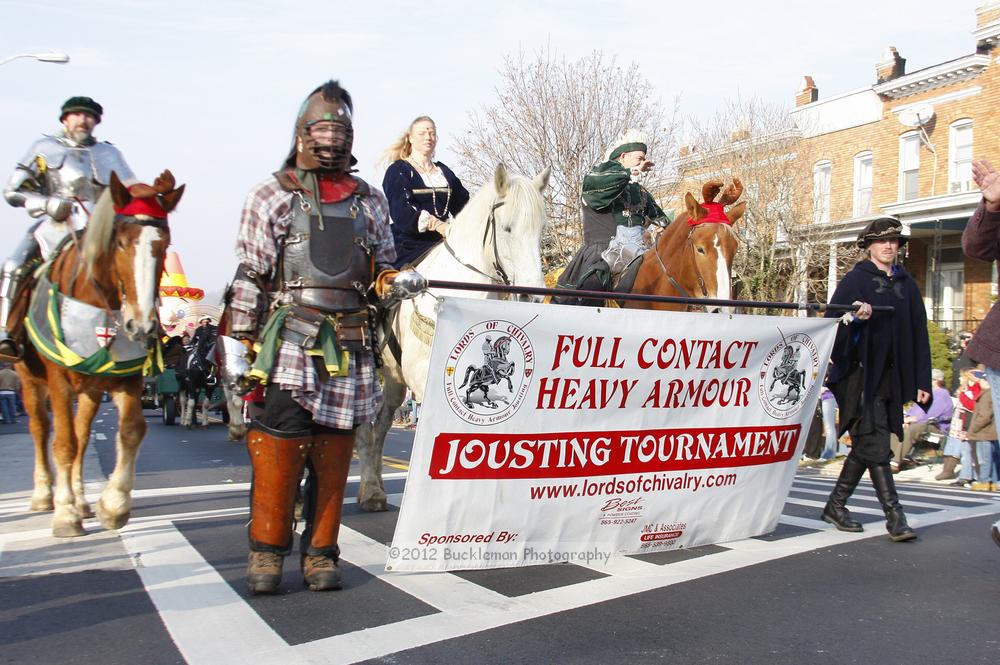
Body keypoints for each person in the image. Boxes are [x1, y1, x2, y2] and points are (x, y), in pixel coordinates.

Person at [221, 80, 422, 594]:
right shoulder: (269, 194)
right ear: (302, 133)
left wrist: (398, 282)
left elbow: (380, 272)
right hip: (290, 336)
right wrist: (235, 347)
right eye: (323, 128)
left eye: (341, 130)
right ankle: (266, 553)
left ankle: (321, 552)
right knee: (281, 445)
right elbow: (252, 274)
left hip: (352, 340)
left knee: (334, 451)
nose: (332, 139)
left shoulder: (370, 200)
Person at [821, 217, 930, 542]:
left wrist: (922, 379)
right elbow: (832, 323)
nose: (888, 246)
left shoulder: (907, 285)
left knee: (869, 442)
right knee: (877, 444)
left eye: (894, 241)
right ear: (869, 246)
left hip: (890, 378)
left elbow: (918, 334)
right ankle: (895, 518)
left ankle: (835, 506)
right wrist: (853, 317)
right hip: (859, 376)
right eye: (882, 241)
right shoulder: (855, 280)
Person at [1, 96, 135, 360]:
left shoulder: (109, 153)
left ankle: (148, 334)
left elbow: (129, 192)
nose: (83, 121)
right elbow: (12, 191)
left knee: (139, 266)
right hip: (56, 224)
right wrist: (47, 203)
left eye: (89, 117)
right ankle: (6, 332)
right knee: (14, 265)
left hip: (102, 228)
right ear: (65, 118)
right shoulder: (44, 147)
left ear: (96, 122)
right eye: (77, 115)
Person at [555, 130, 670, 302]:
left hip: (639, 253)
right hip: (602, 252)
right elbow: (600, 183)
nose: (643, 162)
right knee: (591, 292)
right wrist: (632, 172)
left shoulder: (640, 192)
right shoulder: (599, 178)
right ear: (623, 156)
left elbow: (663, 219)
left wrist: (664, 227)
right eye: (639, 158)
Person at [380, 116, 470, 268]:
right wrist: (437, 225)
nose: (428, 137)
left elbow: (464, 207)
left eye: (432, 133)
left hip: (444, 240)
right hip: (409, 245)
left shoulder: (444, 172)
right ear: (410, 138)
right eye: (422, 133)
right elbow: (403, 213)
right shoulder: (399, 171)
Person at [891, 368, 953, 472]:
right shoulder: (927, 393)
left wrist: (912, 419)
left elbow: (931, 415)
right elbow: (914, 410)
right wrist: (906, 419)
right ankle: (892, 457)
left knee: (914, 428)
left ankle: (895, 462)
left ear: (936, 381)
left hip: (935, 427)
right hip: (921, 423)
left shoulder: (942, 394)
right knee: (895, 427)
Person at [938, 367, 981, 482]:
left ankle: (972, 477)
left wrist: (962, 394)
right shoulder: (966, 390)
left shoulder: (973, 391)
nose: (959, 378)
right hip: (961, 426)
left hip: (969, 426)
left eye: (962, 376)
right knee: (965, 452)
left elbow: (972, 407)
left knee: (969, 453)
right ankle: (965, 476)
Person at [965, 369, 998, 492]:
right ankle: (993, 482)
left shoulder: (986, 394)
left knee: (984, 458)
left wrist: (973, 429)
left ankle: (984, 481)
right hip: (990, 432)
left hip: (984, 432)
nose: (980, 382)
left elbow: (984, 416)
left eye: (983, 380)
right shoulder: (992, 393)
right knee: (991, 458)